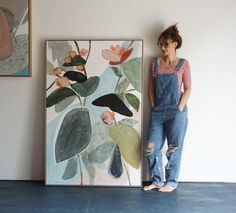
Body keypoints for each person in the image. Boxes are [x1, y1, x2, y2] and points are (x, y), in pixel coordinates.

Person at [143, 24, 191, 192]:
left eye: (165, 44)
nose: (162, 47)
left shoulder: (183, 64)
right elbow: (150, 88)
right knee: (151, 146)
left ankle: (171, 182)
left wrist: (179, 108)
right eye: (160, 44)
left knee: (174, 146)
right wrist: (154, 106)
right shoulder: (154, 63)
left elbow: (188, 88)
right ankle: (157, 180)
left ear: (175, 44)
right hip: (158, 111)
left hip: (177, 111)